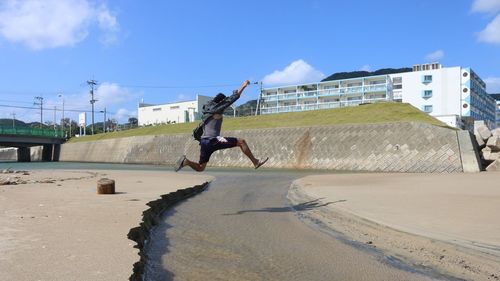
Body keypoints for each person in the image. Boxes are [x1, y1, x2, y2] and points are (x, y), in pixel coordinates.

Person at [174, 80, 268, 172]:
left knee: (201, 167)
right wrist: (243, 86)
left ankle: (186, 162)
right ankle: (255, 162)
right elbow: (231, 99)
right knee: (241, 142)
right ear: (221, 103)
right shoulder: (217, 110)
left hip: (204, 142)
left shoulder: (208, 109)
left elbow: (227, 99)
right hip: (213, 140)